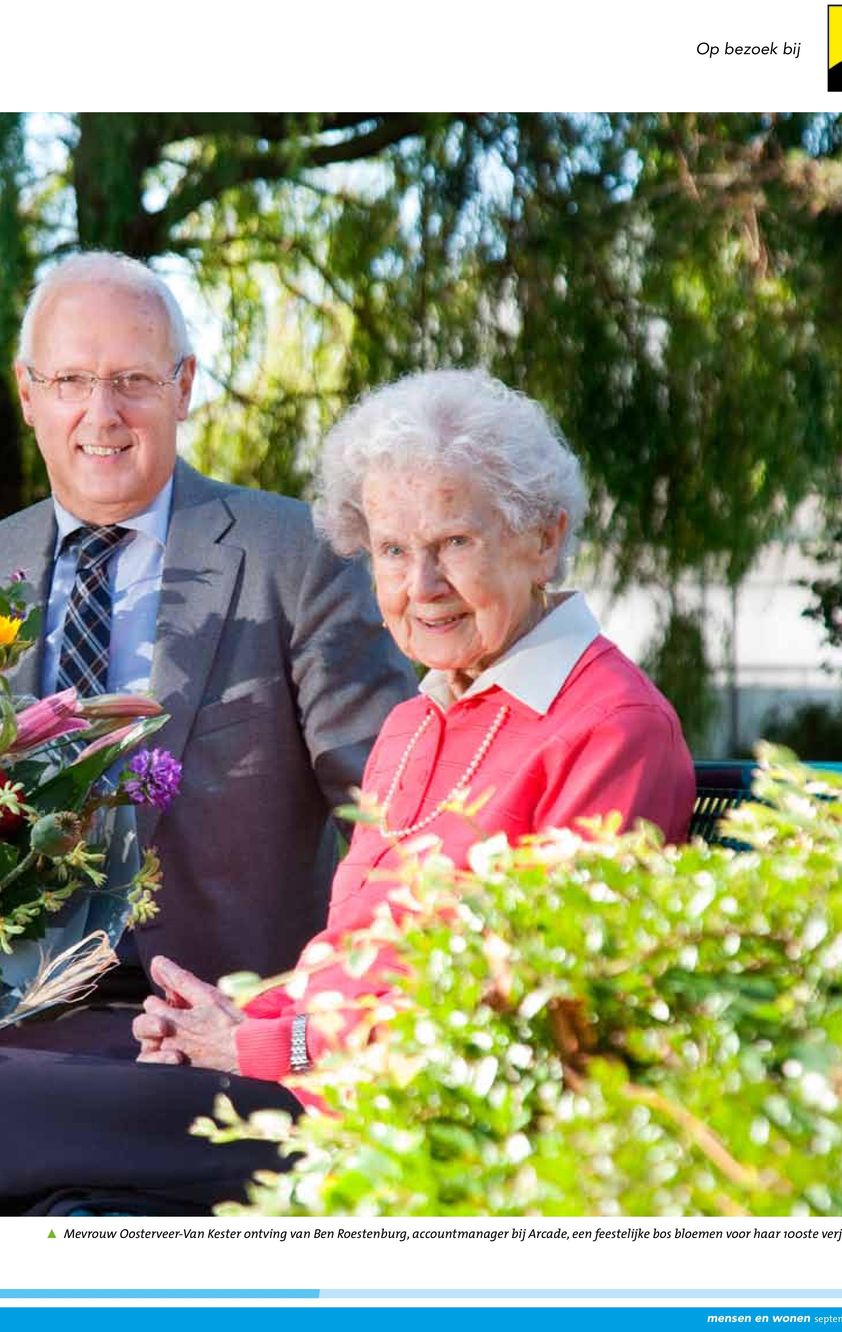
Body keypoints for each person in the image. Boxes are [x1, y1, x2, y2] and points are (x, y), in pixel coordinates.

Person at [0, 368, 694, 1215]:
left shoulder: (611, 729)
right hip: (302, 1084)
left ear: (542, 539)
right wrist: (229, 1014)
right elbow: (358, 959)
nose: (421, 587)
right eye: (394, 552)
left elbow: (528, 1023)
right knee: (60, 1202)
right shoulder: (417, 721)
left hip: (393, 1134)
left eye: (455, 544)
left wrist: (261, 1042)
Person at [0, 252, 414, 1058]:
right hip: (16, 1026)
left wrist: (314, 1033)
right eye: (71, 382)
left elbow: (387, 820)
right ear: (27, 394)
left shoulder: (300, 556)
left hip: (217, 1035)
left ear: (184, 386)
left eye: (134, 381)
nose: (102, 412)